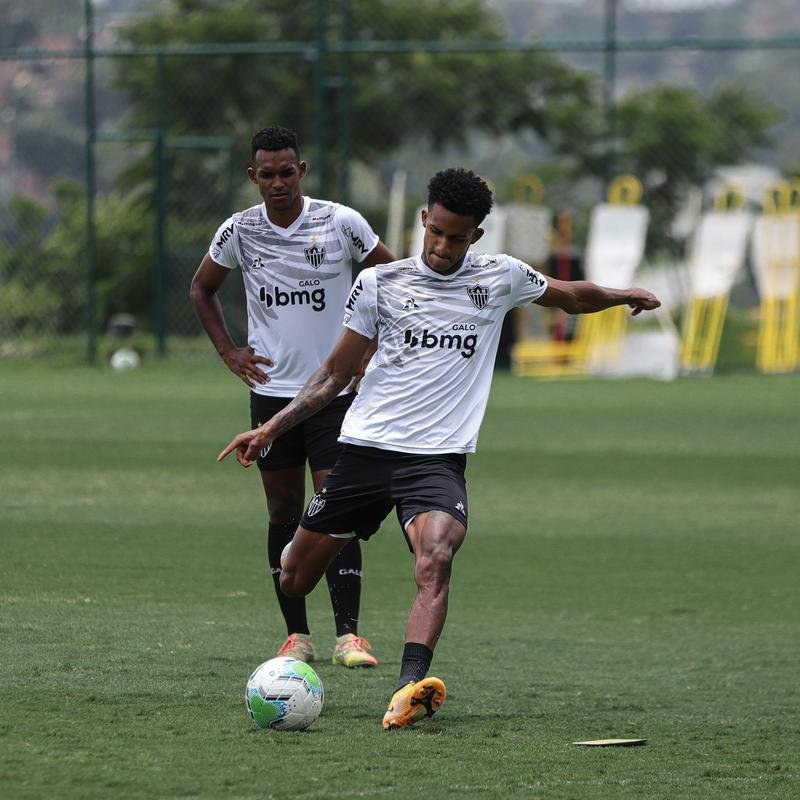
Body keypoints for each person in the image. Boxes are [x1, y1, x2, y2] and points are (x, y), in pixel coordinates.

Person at [217, 167, 661, 728]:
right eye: (436, 231)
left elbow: (571, 295)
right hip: (365, 449)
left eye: (457, 237)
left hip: (436, 459)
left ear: (476, 235)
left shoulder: (499, 278)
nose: (443, 245)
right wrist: (271, 428)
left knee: (437, 557)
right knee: (294, 576)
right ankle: (329, 563)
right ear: (424, 220)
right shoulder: (380, 284)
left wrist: (624, 295)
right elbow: (333, 375)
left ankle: (409, 688)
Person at [191, 125, 395, 667]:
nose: (277, 183)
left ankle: (349, 635)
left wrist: (370, 345)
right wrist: (229, 352)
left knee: (334, 505)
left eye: (287, 172)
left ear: (301, 172)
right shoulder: (239, 231)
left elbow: (393, 278)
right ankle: (296, 635)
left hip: (335, 393)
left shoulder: (340, 223)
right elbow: (202, 288)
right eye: (267, 174)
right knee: (282, 507)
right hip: (271, 395)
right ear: (252, 176)